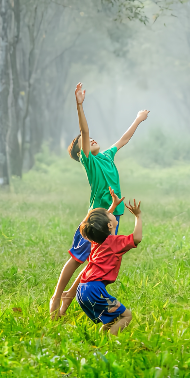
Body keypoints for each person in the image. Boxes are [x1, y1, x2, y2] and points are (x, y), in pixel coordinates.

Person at [48, 82, 149, 317]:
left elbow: (123, 139)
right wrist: (79, 105)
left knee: (97, 260)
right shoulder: (90, 162)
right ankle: (57, 297)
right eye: (85, 142)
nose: (91, 139)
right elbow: (84, 131)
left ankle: (67, 303)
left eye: (92, 138)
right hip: (96, 218)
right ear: (80, 154)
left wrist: (138, 119)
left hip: (114, 215)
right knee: (77, 258)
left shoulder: (106, 156)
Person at [76, 189, 143, 335]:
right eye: (110, 214)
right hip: (95, 291)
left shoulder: (96, 241)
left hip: (83, 290)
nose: (111, 213)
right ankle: (110, 343)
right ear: (109, 225)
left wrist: (113, 205)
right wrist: (138, 216)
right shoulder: (115, 242)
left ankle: (101, 340)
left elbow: (99, 224)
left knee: (113, 318)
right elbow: (137, 238)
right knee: (126, 315)